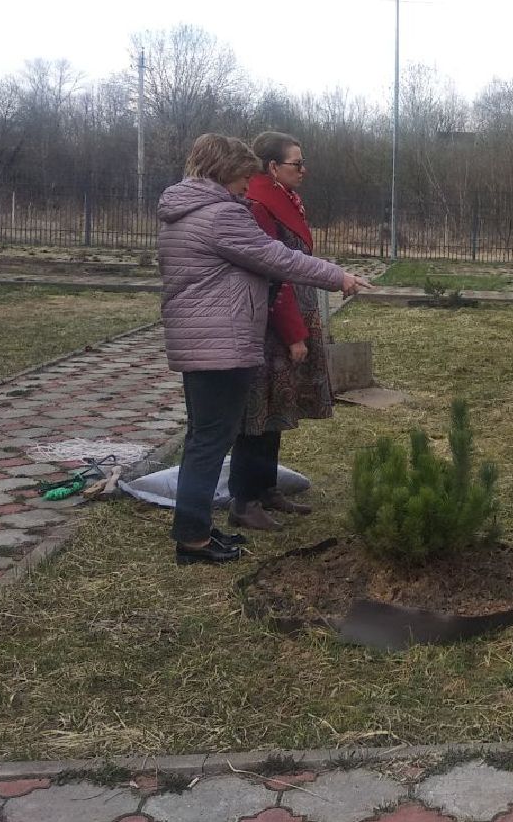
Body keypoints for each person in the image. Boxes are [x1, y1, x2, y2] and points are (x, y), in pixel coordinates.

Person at [158, 133, 372, 565]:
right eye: (242, 177)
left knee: (203, 438)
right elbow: (278, 258)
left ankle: (194, 531)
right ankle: (193, 540)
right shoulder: (220, 216)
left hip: (199, 340)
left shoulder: (181, 212)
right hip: (222, 343)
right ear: (224, 173)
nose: (245, 186)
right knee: (210, 442)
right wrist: (339, 276)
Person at [230, 130, 331, 531]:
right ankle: (244, 499)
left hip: (290, 314)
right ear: (272, 167)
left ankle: (267, 488)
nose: (304, 170)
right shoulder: (257, 205)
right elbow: (274, 271)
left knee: (277, 408)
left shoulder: (284, 200)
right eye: (296, 163)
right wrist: (292, 332)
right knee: (258, 410)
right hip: (269, 322)